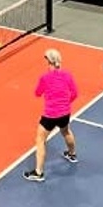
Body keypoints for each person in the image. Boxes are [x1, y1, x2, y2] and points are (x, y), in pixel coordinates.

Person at [23, 48, 78, 182]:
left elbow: (37, 93)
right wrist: (66, 103)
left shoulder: (45, 77)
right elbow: (75, 93)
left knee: (40, 140)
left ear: (48, 61)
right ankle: (72, 154)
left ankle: (39, 172)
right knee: (66, 131)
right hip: (65, 113)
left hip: (50, 115)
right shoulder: (67, 75)